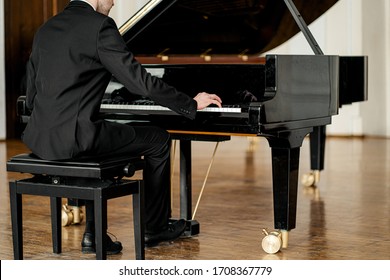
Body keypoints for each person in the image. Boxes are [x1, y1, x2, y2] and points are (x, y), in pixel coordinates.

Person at [23, 0, 222, 255]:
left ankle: (94, 235)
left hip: (40, 139)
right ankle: (154, 227)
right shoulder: (100, 26)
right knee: (158, 138)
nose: (114, 2)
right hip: (77, 139)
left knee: (109, 132)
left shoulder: (46, 28)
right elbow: (141, 83)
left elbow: (30, 97)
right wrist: (190, 103)